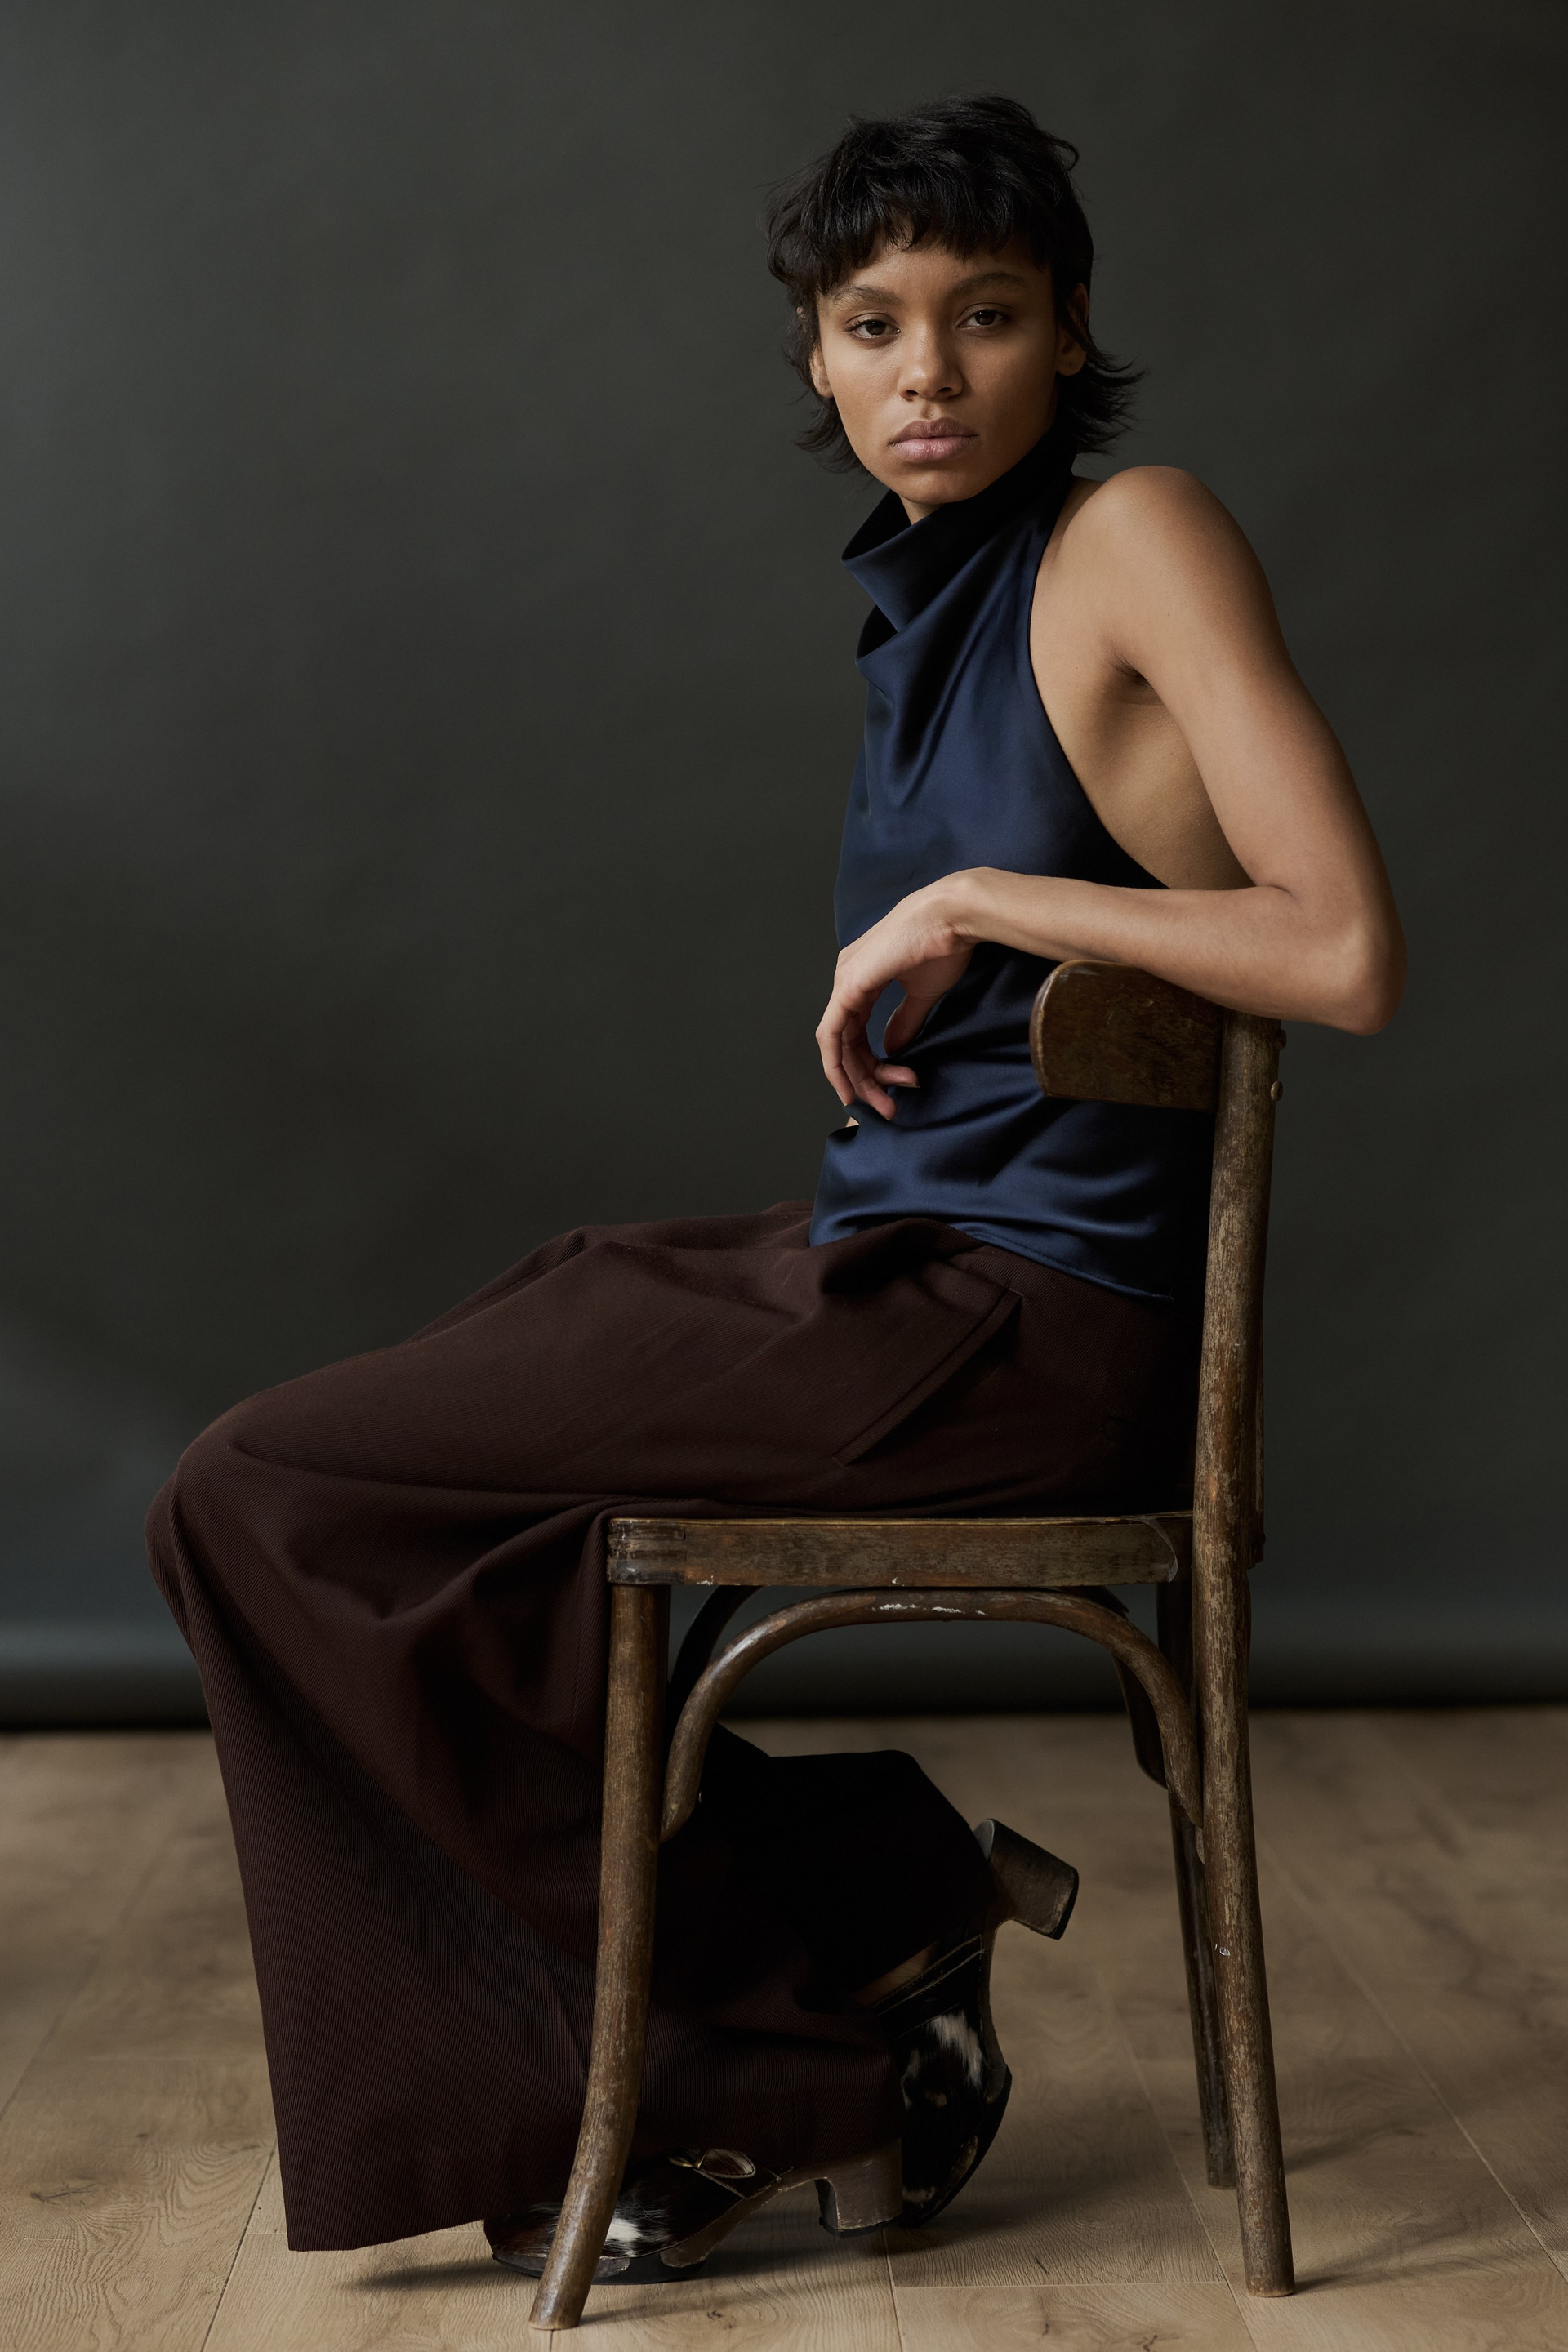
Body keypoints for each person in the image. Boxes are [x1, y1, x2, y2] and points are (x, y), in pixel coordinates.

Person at [146, 93, 1403, 2287]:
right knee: (336, 1483)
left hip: (1023, 1335)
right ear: (816, 357)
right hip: (889, 1280)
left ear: (1067, 326)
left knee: (262, 1493)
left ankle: (794, 2022)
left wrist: (985, 900)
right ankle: (849, 1913)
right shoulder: (933, 599)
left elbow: (1345, 950)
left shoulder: (1134, 535)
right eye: (874, 323)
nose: (929, 372)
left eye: (984, 316)